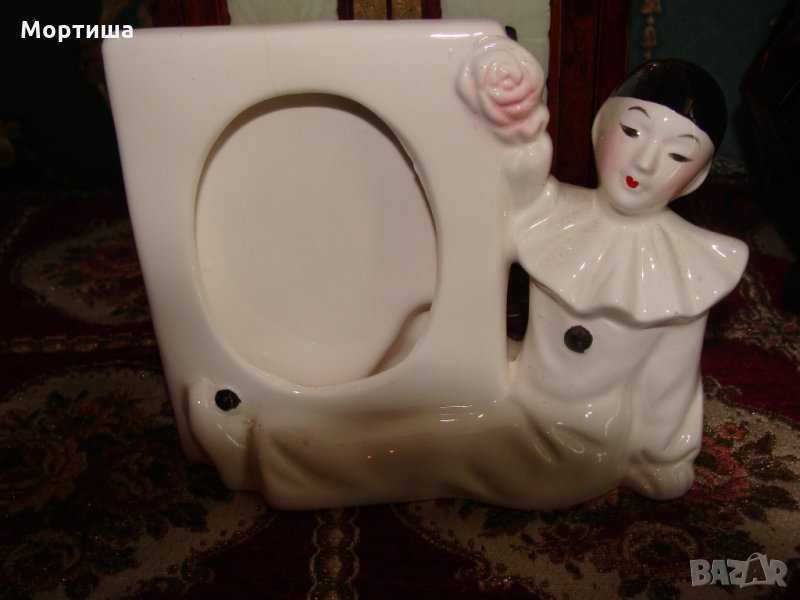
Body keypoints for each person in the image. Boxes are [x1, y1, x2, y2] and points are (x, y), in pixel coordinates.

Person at [510, 59, 749, 500]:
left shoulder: (687, 267)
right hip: (515, 391)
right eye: (632, 131)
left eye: (679, 155)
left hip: (588, 431)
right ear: (600, 126)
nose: (646, 162)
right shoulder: (547, 211)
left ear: (695, 178)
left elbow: (669, 380)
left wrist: (661, 457)